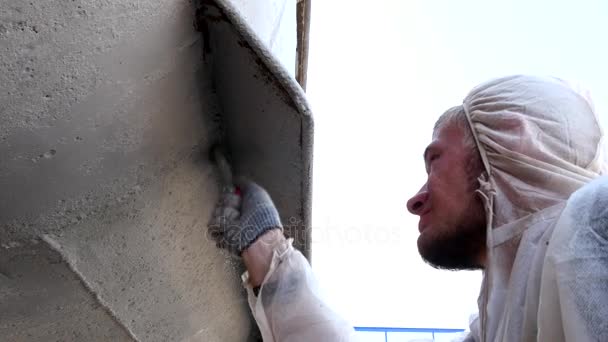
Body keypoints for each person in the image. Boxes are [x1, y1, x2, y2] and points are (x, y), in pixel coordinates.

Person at [208, 75, 608, 341]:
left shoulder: (595, 223)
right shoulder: (498, 325)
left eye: (435, 160)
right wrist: (270, 251)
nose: (414, 200)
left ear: (514, 141)